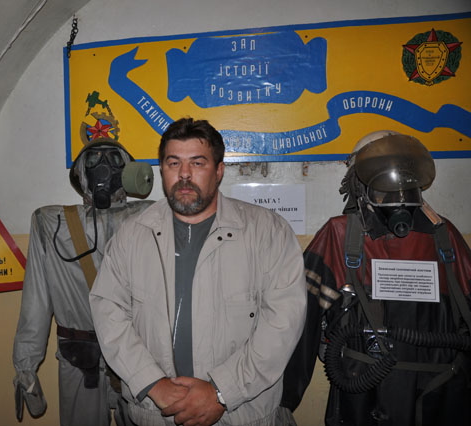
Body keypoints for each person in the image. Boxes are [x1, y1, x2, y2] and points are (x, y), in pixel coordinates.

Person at [89, 117, 307, 426]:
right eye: (173, 163)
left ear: (219, 171)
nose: (184, 174)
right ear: (161, 170)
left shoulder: (268, 232)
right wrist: (152, 382)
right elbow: (108, 311)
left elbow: (282, 324)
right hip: (155, 413)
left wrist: (221, 392)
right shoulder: (132, 235)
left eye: (197, 163)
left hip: (239, 415)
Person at [280, 131, 471, 426]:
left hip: (437, 395)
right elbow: (301, 320)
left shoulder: (443, 237)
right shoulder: (343, 236)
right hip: (367, 393)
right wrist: (284, 400)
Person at [12, 136, 153, 426]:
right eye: (93, 159)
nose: (103, 166)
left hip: (137, 353)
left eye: (113, 159)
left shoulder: (151, 219)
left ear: (129, 171)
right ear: (81, 173)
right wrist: (26, 366)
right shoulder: (52, 223)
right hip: (80, 357)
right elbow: (36, 300)